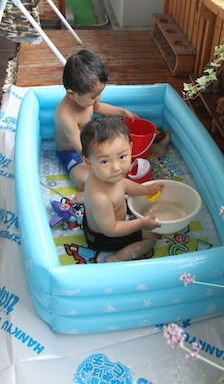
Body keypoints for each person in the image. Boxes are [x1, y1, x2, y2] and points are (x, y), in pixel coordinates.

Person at [54, 49, 170, 194]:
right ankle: (92, 193)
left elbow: (99, 107)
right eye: (93, 97)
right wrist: (98, 163)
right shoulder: (65, 115)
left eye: (100, 94)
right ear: (71, 94)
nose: (98, 99)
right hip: (73, 153)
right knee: (84, 179)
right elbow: (80, 147)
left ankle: (154, 148)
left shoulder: (87, 100)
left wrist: (122, 112)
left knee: (119, 144)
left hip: (91, 142)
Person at [80, 116, 163, 262]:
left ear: (131, 147)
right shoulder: (100, 197)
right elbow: (111, 230)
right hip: (104, 236)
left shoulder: (106, 176)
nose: (116, 168)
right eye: (104, 161)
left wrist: (147, 190)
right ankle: (117, 258)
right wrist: (142, 223)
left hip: (105, 219)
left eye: (122, 157)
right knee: (151, 238)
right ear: (88, 162)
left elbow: (123, 184)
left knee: (132, 201)